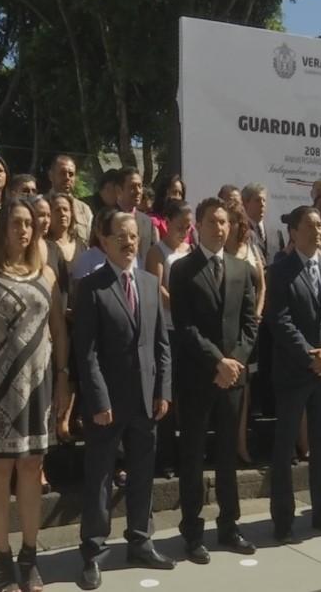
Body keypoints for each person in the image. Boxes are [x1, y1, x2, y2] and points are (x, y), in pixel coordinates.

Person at [0, 198, 70, 592]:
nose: (23, 230)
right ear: (2, 229)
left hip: (37, 388)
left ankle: (29, 555)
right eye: (15, 223)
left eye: (28, 223)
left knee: (30, 470)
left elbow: (59, 330)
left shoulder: (48, 275)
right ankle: (2, 558)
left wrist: (62, 379)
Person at [74, 211, 174, 590]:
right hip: (107, 404)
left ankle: (141, 541)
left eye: (134, 236)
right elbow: (86, 352)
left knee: (143, 474)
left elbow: (161, 344)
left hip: (146, 400)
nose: (130, 242)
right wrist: (98, 399)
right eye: (122, 236)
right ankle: (93, 553)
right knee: (99, 477)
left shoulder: (149, 284)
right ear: (104, 239)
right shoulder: (92, 286)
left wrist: (163, 390)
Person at [170, 197, 258, 564]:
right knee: (193, 456)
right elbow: (184, 325)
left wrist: (234, 362)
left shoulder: (241, 268)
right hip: (197, 377)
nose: (220, 229)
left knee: (227, 454)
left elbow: (251, 324)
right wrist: (216, 362)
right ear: (198, 226)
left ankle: (229, 525)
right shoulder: (182, 269)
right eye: (212, 223)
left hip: (233, 379)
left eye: (225, 222)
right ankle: (192, 531)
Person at [266, 206, 321, 543]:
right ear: (295, 232)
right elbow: (279, 319)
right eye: (311, 225)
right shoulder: (281, 270)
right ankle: (283, 520)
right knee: (285, 446)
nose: (318, 230)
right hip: (293, 373)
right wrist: (309, 355)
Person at [144, 199, 193, 478]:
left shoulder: (191, 250)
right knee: (166, 395)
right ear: (168, 222)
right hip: (167, 330)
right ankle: (165, 458)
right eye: (180, 225)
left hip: (188, 331)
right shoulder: (157, 252)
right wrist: (183, 305)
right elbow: (156, 288)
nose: (184, 231)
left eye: (188, 227)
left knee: (186, 397)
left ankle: (186, 453)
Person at [224, 202, 266, 465]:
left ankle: (240, 443)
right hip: (228, 329)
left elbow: (262, 285)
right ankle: (227, 443)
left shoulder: (250, 249)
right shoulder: (218, 250)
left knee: (246, 388)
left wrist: (257, 314)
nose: (235, 226)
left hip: (250, 329)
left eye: (238, 221)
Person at [114, 167, 158, 264]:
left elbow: (153, 255)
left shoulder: (147, 221)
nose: (138, 191)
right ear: (119, 190)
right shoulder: (108, 219)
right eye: (132, 187)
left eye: (140, 186)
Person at [47, 192, 86, 297]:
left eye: (65, 209)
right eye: (57, 210)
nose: (62, 213)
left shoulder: (82, 245)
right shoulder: (44, 247)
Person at [48, 154, 93, 244]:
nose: (67, 178)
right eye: (62, 173)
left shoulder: (84, 210)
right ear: (51, 176)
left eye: (71, 174)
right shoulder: (40, 205)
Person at [149, 174, 186, 240]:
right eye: (174, 192)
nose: (177, 197)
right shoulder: (154, 222)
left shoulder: (187, 224)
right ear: (163, 194)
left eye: (180, 194)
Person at [241, 183, 269, 264]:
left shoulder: (276, 235)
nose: (262, 204)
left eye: (264, 200)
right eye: (258, 200)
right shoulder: (240, 231)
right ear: (245, 203)